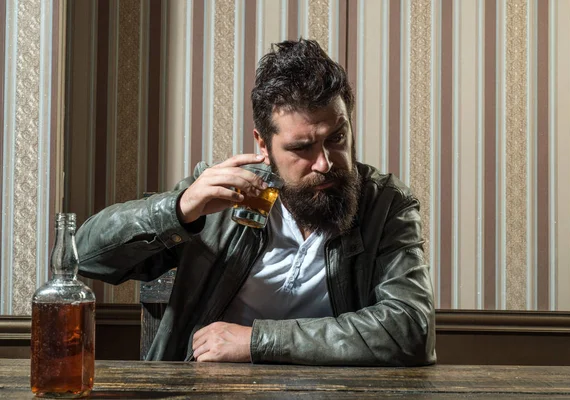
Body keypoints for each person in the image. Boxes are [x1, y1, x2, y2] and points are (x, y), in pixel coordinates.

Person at [76, 39, 436, 366]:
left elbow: (409, 329)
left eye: (337, 137)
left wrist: (257, 341)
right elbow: (86, 257)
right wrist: (178, 209)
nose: (325, 163)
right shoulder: (220, 197)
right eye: (301, 148)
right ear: (263, 145)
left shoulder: (386, 204)